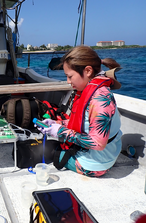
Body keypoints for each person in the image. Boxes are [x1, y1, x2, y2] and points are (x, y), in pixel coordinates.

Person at [38, 46, 122, 177]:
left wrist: (60, 131)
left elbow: (98, 143)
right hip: (104, 155)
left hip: (95, 164)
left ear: (88, 71)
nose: (68, 81)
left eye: (70, 76)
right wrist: (57, 123)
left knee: (42, 150)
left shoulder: (100, 99)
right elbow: (85, 123)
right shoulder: (94, 91)